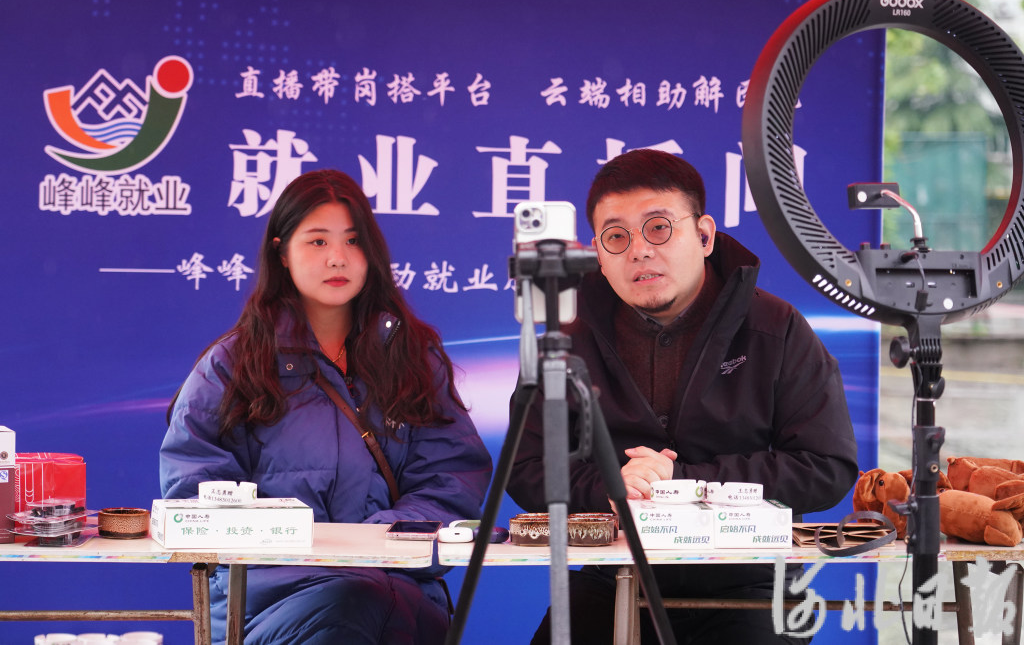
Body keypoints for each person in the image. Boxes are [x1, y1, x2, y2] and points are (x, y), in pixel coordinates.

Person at [506, 149, 858, 644]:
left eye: (658, 228)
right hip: (615, 571)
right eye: (616, 237)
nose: (639, 251)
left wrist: (686, 485)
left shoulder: (775, 328)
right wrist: (611, 487)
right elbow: (526, 467)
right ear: (597, 254)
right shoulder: (568, 337)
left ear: (704, 235)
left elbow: (826, 467)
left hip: (751, 578)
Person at [159, 169, 493, 645]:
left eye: (353, 241)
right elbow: (195, 493)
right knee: (349, 605)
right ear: (282, 252)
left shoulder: (411, 356)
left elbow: (452, 478)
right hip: (270, 599)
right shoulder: (234, 364)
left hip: (394, 585)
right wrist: (300, 548)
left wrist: (377, 544)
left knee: (371, 604)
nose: (338, 257)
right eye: (318, 241)